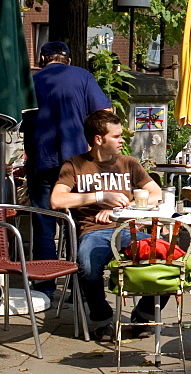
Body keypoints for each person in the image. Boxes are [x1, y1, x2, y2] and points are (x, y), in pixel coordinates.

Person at [50, 110, 163, 341]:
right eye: (117, 136)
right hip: (94, 231)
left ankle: (143, 315)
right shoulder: (75, 165)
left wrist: (120, 209)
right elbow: (56, 200)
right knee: (88, 265)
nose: (123, 140)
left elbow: (156, 193)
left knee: (165, 258)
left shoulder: (129, 163)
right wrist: (99, 196)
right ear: (98, 139)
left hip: (129, 229)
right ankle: (102, 320)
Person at [23, 40, 112, 298]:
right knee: (79, 222)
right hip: (77, 163)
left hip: (41, 160)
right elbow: (104, 113)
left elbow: (20, 120)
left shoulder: (31, 81)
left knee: (43, 223)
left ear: (42, 58)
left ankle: (45, 287)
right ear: (68, 60)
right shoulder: (82, 76)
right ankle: (79, 285)